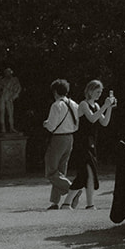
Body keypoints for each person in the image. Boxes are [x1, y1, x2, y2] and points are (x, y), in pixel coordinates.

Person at [68, 80, 116, 209]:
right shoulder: (83, 104)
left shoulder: (97, 105)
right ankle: (71, 203)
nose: (99, 94)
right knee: (87, 173)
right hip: (82, 142)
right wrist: (105, 106)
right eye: (97, 91)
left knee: (89, 174)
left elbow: (104, 122)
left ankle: (87, 204)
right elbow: (92, 118)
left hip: (91, 142)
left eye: (100, 92)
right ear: (90, 91)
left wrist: (109, 107)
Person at [42, 80, 78, 208]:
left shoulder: (56, 105)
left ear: (55, 92)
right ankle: (55, 202)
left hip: (58, 138)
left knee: (51, 171)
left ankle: (73, 189)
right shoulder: (74, 104)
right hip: (70, 138)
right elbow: (76, 123)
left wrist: (46, 124)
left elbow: (51, 126)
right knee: (60, 171)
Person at [0, 67, 21, 132]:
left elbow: (18, 88)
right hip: (2, 97)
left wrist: (13, 96)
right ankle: (3, 127)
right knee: (2, 113)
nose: (7, 73)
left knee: (10, 113)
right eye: (6, 72)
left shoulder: (14, 80)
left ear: (11, 72)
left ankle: (11, 127)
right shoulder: (2, 80)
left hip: (9, 98)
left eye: (9, 72)